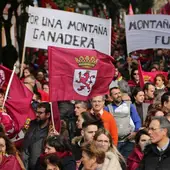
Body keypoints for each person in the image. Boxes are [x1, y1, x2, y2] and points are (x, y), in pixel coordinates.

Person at [105, 87, 141, 159]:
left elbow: (137, 120)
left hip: (128, 141)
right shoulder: (107, 108)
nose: (118, 95)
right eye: (115, 94)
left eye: (119, 93)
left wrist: (135, 132)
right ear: (111, 97)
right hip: (115, 142)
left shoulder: (129, 105)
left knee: (127, 163)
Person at [22, 102, 51, 170]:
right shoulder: (31, 124)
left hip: (39, 166)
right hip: (26, 164)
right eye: (36, 112)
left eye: (40, 113)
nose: (37, 114)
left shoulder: (51, 130)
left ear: (48, 114)